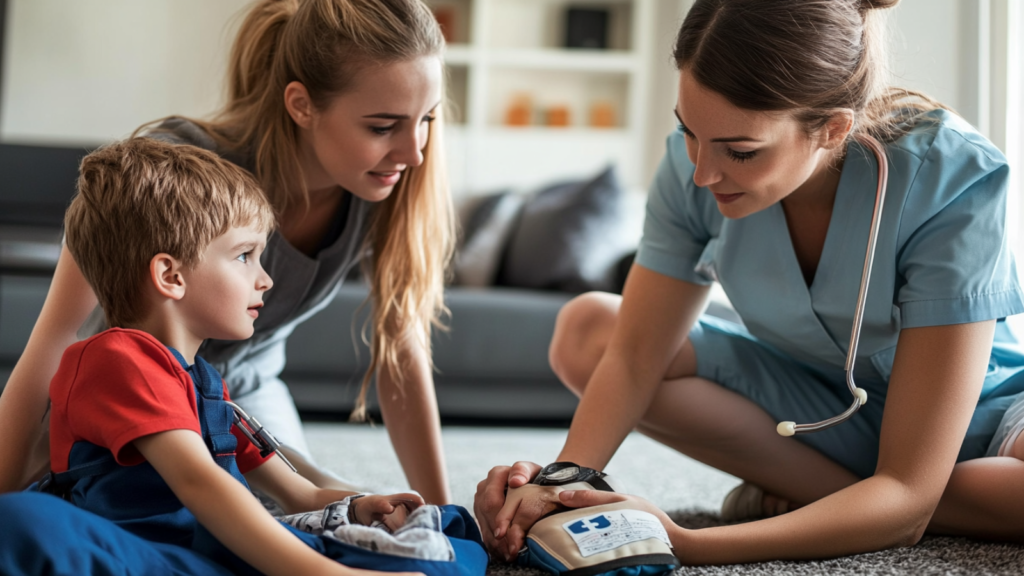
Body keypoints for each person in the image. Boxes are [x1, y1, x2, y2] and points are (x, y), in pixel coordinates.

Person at [474, 0, 1024, 565]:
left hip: (991, 410)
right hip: (816, 408)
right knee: (588, 329)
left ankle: (837, 501)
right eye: (689, 131)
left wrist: (687, 543)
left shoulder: (952, 175)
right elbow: (636, 353)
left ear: (832, 129)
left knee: (968, 490)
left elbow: (911, 500)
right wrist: (566, 481)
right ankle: (853, 504)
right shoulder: (693, 167)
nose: (702, 173)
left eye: (740, 151)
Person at [0, 0, 455, 504]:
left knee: (319, 503)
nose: (414, 152)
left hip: (239, 392)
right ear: (301, 104)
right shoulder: (174, 165)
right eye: (381, 126)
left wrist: (442, 510)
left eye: (427, 118)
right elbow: (55, 338)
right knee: (70, 504)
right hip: (127, 386)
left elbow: (401, 350)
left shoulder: (385, 185)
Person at [0, 138, 486, 576]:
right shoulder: (115, 359)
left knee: (447, 530)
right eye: (244, 256)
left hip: (207, 551)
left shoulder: (205, 385)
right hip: (141, 552)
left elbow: (301, 494)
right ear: (170, 276)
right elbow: (202, 484)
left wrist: (360, 506)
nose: (265, 279)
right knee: (23, 523)